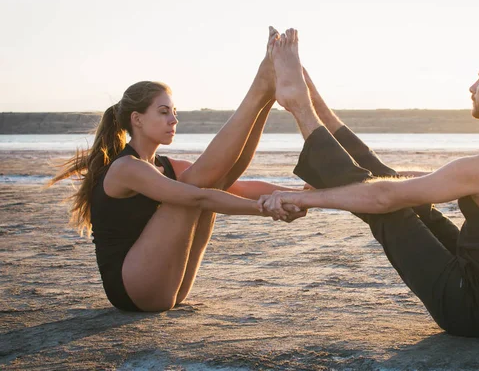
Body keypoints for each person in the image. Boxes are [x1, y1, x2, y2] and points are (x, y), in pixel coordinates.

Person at [260, 29, 479, 338]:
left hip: (475, 310)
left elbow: (383, 199)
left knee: (387, 204)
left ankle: (297, 104)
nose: (472, 87)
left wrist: (304, 198)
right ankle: (307, 99)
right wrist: (315, 97)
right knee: (393, 187)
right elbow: (401, 184)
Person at [50, 27, 304, 312]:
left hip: (169, 286)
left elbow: (238, 186)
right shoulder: (125, 168)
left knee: (214, 180)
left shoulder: (165, 167)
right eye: (163, 112)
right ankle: (261, 87)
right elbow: (198, 198)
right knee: (195, 188)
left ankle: (265, 96)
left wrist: (304, 196)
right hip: (133, 290)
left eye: (174, 112)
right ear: (137, 120)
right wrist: (266, 209)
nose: (173, 120)